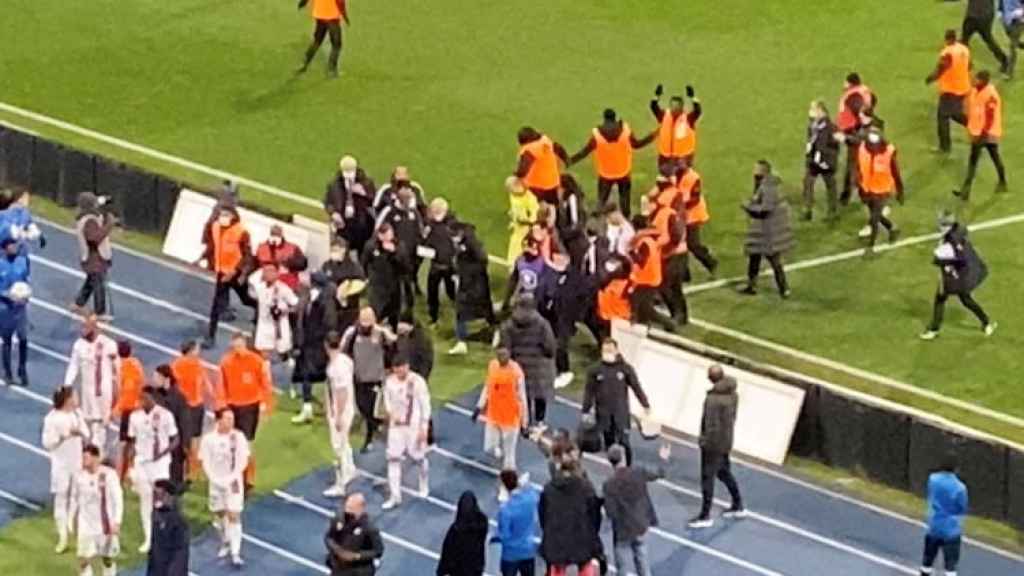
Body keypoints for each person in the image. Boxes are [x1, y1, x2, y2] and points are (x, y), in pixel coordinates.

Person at [920, 212, 996, 340]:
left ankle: (934, 330)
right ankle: (986, 323)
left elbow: (958, 259)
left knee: (940, 298)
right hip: (965, 274)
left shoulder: (951, 241)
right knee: (965, 299)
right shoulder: (958, 231)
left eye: (942, 224)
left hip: (959, 276)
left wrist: (942, 261)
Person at [688, 365, 746, 529]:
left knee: (708, 478)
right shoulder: (733, 394)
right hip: (726, 441)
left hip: (713, 445)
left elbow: (710, 424)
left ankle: (705, 515)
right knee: (724, 472)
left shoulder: (712, 400)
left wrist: (704, 442)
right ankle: (738, 504)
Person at [570, 109, 656, 216]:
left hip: (606, 174)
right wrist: (652, 136)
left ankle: (597, 219)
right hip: (623, 172)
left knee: (601, 200)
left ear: (605, 119)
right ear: (615, 118)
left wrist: (570, 161)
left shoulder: (597, 135)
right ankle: (626, 220)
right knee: (625, 201)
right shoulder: (625, 130)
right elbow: (637, 144)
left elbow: (584, 152)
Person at [602, 443, 671, 576]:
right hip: (640, 524)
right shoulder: (638, 472)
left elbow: (610, 512)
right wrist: (663, 458)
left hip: (622, 529)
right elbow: (660, 473)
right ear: (624, 458)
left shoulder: (609, 485)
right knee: (642, 559)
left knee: (621, 565)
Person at [216, 332, 273, 490]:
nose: (238, 349)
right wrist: (221, 407)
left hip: (250, 407)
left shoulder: (256, 361)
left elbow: (265, 384)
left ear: (245, 345)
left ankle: (248, 478)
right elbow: (221, 386)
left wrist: (265, 404)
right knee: (232, 443)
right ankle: (235, 475)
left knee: (246, 444)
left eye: (240, 346)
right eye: (235, 347)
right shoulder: (226, 362)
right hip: (233, 407)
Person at [582, 339, 651, 466]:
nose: (607, 353)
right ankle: (616, 466)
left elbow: (636, 386)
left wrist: (645, 404)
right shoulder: (595, 370)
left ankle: (628, 466)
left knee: (624, 442)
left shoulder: (625, 369)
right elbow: (589, 391)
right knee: (610, 443)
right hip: (603, 414)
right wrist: (585, 410)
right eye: (605, 350)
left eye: (610, 350)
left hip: (621, 413)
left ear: (616, 350)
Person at [127, 386, 179, 554]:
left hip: (160, 462)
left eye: (144, 398)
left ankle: (167, 533)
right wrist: (129, 466)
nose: (141, 401)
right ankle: (149, 538)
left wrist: (164, 452)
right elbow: (131, 442)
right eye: (140, 398)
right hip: (142, 462)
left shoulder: (165, 415)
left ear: (152, 397)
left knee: (162, 499)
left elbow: (175, 438)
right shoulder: (134, 417)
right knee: (145, 501)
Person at [199, 409, 250, 567]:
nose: (231, 422)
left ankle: (235, 553)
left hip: (233, 482)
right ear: (218, 420)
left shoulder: (238, 437)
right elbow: (205, 461)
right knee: (219, 514)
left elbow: (243, 459)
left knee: (233, 514)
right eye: (227, 418)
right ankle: (225, 541)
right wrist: (214, 479)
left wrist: (233, 477)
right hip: (216, 482)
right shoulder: (208, 439)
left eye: (232, 418)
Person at [341, 307, 396, 452]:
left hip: (375, 378)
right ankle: (377, 423)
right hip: (358, 377)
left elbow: (394, 345)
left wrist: (389, 367)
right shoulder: (352, 333)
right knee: (361, 407)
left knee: (371, 409)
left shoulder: (381, 333)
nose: (365, 328)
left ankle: (369, 438)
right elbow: (343, 350)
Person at [381, 355, 431, 509]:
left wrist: (424, 427)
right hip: (396, 427)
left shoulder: (417, 382)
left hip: (413, 427)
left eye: (402, 367)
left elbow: (425, 405)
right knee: (393, 459)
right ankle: (395, 495)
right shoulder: (389, 382)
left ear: (407, 366)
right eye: (396, 368)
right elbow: (387, 401)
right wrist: (391, 414)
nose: (399, 371)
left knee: (418, 457)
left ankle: (423, 481)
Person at [201, 206, 256, 349]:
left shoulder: (241, 232)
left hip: (235, 273)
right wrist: (204, 257)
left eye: (226, 214)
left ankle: (259, 308)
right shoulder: (215, 227)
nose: (222, 217)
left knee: (245, 299)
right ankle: (210, 336)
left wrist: (238, 272)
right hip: (222, 273)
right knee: (216, 305)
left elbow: (247, 256)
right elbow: (213, 246)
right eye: (221, 214)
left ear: (233, 216)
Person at [500, 296, 556, 433]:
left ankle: (524, 423)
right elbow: (550, 347)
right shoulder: (542, 324)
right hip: (539, 367)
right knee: (539, 395)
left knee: (522, 396)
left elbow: (505, 348)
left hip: (518, 366)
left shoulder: (508, 325)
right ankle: (539, 422)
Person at [64, 315, 119, 455]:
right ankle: (88, 450)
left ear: (95, 328)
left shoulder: (109, 344)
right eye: (83, 326)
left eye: (86, 326)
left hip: (103, 391)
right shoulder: (79, 345)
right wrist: (67, 384)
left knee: (100, 424)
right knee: (87, 421)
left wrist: (117, 390)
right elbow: (73, 365)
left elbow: (117, 369)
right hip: (87, 391)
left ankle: (97, 453)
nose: (83, 329)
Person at [539, 458, 603, 576]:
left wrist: (548, 530)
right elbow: (595, 515)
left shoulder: (549, 488)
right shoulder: (586, 488)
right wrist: (593, 533)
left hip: (556, 537)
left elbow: (542, 514)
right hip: (581, 536)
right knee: (585, 565)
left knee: (557, 568)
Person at [42, 386, 86, 554]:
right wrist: (63, 436)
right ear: (67, 399)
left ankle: (71, 525)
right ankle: (63, 537)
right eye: (74, 396)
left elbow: (86, 433)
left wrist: (80, 432)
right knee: (61, 498)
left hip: (77, 462)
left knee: (76, 495)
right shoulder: (51, 419)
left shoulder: (77, 414)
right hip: (60, 464)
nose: (77, 398)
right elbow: (47, 443)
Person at [740, 160, 794, 298]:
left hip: (768, 231)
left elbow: (766, 208)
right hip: (762, 229)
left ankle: (784, 288)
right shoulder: (762, 184)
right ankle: (752, 286)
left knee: (773, 259)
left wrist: (748, 207)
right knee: (754, 258)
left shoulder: (768, 187)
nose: (754, 171)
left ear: (763, 171)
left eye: (756, 169)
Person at [292, 272, 341, 423]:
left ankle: (332, 409)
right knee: (306, 374)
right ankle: (307, 408)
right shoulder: (307, 297)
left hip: (319, 345)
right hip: (307, 343)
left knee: (326, 376)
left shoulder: (326, 301)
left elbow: (329, 323)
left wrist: (327, 343)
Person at [70, 444, 123, 576]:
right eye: (83, 458)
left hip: (105, 524)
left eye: (86, 458)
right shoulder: (79, 477)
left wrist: (117, 521)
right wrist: (71, 519)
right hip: (86, 525)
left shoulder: (109, 475)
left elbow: (118, 499)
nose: (84, 461)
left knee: (107, 558)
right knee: (83, 560)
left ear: (95, 458)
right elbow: (74, 499)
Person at [473, 346, 528, 472]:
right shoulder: (492, 366)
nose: (502, 357)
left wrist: (524, 423)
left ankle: (509, 483)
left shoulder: (516, 373)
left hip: (510, 418)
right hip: (494, 415)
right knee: (489, 448)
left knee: (509, 458)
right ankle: (498, 452)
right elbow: (488, 387)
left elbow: (522, 398)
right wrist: (479, 406)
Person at [955, 70, 1007, 199]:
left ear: (984, 81)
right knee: (988, 158)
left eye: (977, 79)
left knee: (978, 160)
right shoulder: (975, 91)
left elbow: (990, 117)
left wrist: (983, 135)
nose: (974, 81)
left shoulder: (991, 95)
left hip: (988, 133)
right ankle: (1001, 182)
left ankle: (966, 192)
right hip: (978, 132)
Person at [449, 222, 498, 355]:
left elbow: (483, 259)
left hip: (477, 284)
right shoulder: (461, 242)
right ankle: (461, 342)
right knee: (461, 311)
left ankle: (495, 334)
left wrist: (468, 273)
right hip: (467, 283)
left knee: (484, 310)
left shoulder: (472, 242)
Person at [376, 184, 424, 315]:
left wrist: (419, 246)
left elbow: (419, 230)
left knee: (408, 278)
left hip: (410, 255)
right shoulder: (389, 212)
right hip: (394, 256)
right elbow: (378, 230)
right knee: (394, 281)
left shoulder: (413, 212)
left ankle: (409, 305)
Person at [919, 454, 968, 576]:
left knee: (927, 561)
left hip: (934, 526)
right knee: (950, 566)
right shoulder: (960, 488)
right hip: (951, 530)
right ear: (956, 468)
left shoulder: (933, 479)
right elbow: (962, 508)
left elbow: (931, 495)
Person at [857, 128, 905, 254]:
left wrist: (900, 191)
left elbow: (896, 173)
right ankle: (892, 228)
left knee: (873, 218)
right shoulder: (863, 148)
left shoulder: (888, 152)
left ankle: (870, 246)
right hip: (866, 188)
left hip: (882, 190)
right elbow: (859, 166)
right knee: (876, 214)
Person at [170, 340, 212, 482]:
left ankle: (186, 470)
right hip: (193, 406)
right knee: (194, 440)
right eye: (197, 349)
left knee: (185, 440)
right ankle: (190, 471)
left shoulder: (177, 365)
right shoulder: (195, 364)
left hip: (186, 407)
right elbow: (206, 383)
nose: (199, 351)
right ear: (192, 350)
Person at [322, 331, 357, 497]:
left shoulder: (337, 366)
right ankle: (350, 469)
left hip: (341, 409)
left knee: (339, 446)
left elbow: (341, 392)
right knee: (345, 442)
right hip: (344, 407)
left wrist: (337, 415)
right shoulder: (345, 360)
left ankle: (341, 482)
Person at [926, 30, 972, 154]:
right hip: (964, 87)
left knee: (943, 116)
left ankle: (945, 146)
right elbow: (970, 66)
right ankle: (974, 126)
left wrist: (930, 78)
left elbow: (941, 69)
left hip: (950, 89)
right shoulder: (964, 49)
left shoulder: (947, 53)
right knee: (955, 113)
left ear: (947, 39)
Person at [72, 192, 116, 319]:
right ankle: (100, 312)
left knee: (91, 281)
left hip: (92, 256)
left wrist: (105, 202)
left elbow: (99, 204)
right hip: (94, 257)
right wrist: (109, 225)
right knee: (99, 283)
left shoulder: (86, 217)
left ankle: (79, 303)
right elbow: (94, 238)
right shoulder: (89, 220)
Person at [325, 156, 377, 256]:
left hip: (362, 226)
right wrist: (333, 213)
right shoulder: (334, 184)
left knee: (363, 253)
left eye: (350, 172)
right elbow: (328, 202)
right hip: (343, 226)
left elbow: (375, 200)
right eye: (346, 172)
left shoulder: (366, 182)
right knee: (342, 252)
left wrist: (363, 192)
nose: (348, 176)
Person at [493, 469, 540, 576]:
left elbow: (505, 535)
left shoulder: (506, 509)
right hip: (527, 549)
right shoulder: (530, 498)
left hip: (511, 553)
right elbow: (533, 493)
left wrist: (496, 537)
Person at [324, 493, 384, 576]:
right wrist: (337, 549)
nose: (347, 510)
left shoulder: (369, 528)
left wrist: (357, 556)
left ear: (360, 508)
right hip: (339, 567)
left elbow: (378, 551)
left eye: (351, 508)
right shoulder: (338, 519)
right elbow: (329, 537)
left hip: (359, 570)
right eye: (346, 507)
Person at [153, 365, 192, 490]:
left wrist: (185, 444)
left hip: (174, 446)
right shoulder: (154, 396)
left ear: (166, 379)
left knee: (174, 482)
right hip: (158, 444)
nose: (154, 380)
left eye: (157, 377)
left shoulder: (179, 398)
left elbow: (184, 423)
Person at [249, 264, 300, 360]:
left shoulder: (283, 288)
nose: (268, 274)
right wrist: (262, 271)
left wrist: (285, 311)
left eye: (271, 272)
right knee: (263, 354)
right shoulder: (260, 287)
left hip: (279, 326)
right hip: (264, 325)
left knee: (281, 351)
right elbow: (251, 281)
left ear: (276, 274)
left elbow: (295, 304)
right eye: (266, 272)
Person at [421, 197, 459, 327]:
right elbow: (424, 244)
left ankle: (456, 309)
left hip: (447, 265)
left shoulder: (451, 224)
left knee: (449, 289)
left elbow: (457, 241)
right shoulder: (430, 226)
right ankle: (434, 317)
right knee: (433, 292)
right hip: (438, 265)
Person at [362, 223, 406, 330]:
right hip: (377, 288)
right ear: (380, 235)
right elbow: (364, 262)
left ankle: (393, 336)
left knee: (394, 315)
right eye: (386, 236)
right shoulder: (371, 246)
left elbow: (405, 266)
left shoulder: (399, 246)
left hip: (393, 287)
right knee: (376, 315)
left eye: (390, 235)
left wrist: (394, 253)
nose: (389, 238)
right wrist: (367, 277)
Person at [677, 161, 718, 276]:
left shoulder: (693, 177)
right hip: (680, 215)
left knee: (692, 244)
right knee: (679, 244)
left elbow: (695, 199)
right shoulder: (675, 175)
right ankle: (684, 273)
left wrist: (680, 206)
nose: (678, 165)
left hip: (693, 215)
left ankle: (710, 262)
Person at [803, 100, 841, 221]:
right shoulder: (812, 125)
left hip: (825, 161)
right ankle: (807, 210)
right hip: (813, 161)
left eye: (813, 109)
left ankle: (832, 212)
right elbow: (811, 140)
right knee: (808, 183)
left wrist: (827, 160)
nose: (811, 112)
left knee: (830, 185)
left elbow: (834, 146)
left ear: (821, 111)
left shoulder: (831, 127)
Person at [436, 491, 489, 576]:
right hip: (475, 566)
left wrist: (441, 571)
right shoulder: (482, 523)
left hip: (458, 569)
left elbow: (447, 552)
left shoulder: (456, 529)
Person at [0, 236, 30, 385]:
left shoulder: (22, 262)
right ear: (4, 248)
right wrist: (9, 295)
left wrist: (26, 296)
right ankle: (8, 372)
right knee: (7, 341)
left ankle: (22, 369)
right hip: (5, 309)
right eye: (11, 245)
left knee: (23, 339)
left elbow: (25, 282)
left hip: (20, 309)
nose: (14, 247)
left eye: (15, 245)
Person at [650, 84, 702, 168]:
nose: (674, 108)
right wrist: (657, 95)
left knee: (682, 180)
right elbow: (653, 107)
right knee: (665, 179)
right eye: (672, 105)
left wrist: (693, 98)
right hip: (665, 157)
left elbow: (698, 111)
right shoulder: (664, 116)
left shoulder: (688, 119)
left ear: (682, 107)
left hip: (683, 158)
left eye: (676, 106)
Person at [515, 127, 569, 206]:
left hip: (537, 186)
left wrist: (517, 175)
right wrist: (566, 159)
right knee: (553, 207)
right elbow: (558, 148)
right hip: (553, 182)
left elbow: (523, 171)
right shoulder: (545, 140)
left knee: (536, 209)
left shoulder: (530, 149)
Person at [147, 479, 190, 576]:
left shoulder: (179, 521)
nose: (156, 499)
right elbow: (154, 545)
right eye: (155, 495)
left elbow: (180, 553)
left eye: (160, 495)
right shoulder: (155, 515)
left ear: (168, 496)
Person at [113, 342, 144, 480]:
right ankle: (130, 470)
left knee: (124, 443)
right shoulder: (136, 363)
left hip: (130, 409)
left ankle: (123, 474)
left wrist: (117, 408)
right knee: (134, 441)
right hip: (139, 407)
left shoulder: (125, 367)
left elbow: (127, 390)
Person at [297, 0, 349, 77]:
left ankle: (304, 63)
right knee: (336, 44)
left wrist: (303, 3)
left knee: (317, 41)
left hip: (320, 15)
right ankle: (332, 69)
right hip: (332, 17)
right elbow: (340, 2)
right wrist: (344, 15)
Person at [959, 0, 1009, 74]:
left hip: (973, 17)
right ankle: (1004, 60)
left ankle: (966, 63)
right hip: (986, 16)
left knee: (964, 41)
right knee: (988, 40)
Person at [254, 224, 307, 291]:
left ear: (281, 235)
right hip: (266, 282)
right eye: (273, 234)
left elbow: (301, 264)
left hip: (287, 283)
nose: (275, 237)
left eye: (277, 235)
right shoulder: (262, 247)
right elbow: (257, 263)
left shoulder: (293, 248)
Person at [554, 174, 588, 267]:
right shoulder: (563, 199)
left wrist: (565, 233)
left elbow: (575, 221)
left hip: (574, 236)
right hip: (568, 233)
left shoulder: (572, 199)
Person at [506, 176, 539, 263]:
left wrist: (528, 222)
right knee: (515, 247)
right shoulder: (513, 195)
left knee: (520, 247)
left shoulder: (530, 198)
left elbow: (535, 213)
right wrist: (514, 221)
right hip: (518, 227)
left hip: (527, 228)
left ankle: (516, 266)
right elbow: (515, 210)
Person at [1002, 0, 1024, 79]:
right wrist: (999, 11)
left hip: (1018, 22)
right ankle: (1019, 44)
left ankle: (1009, 73)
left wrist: (1019, 12)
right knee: (1013, 40)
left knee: (1012, 47)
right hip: (1006, 20)